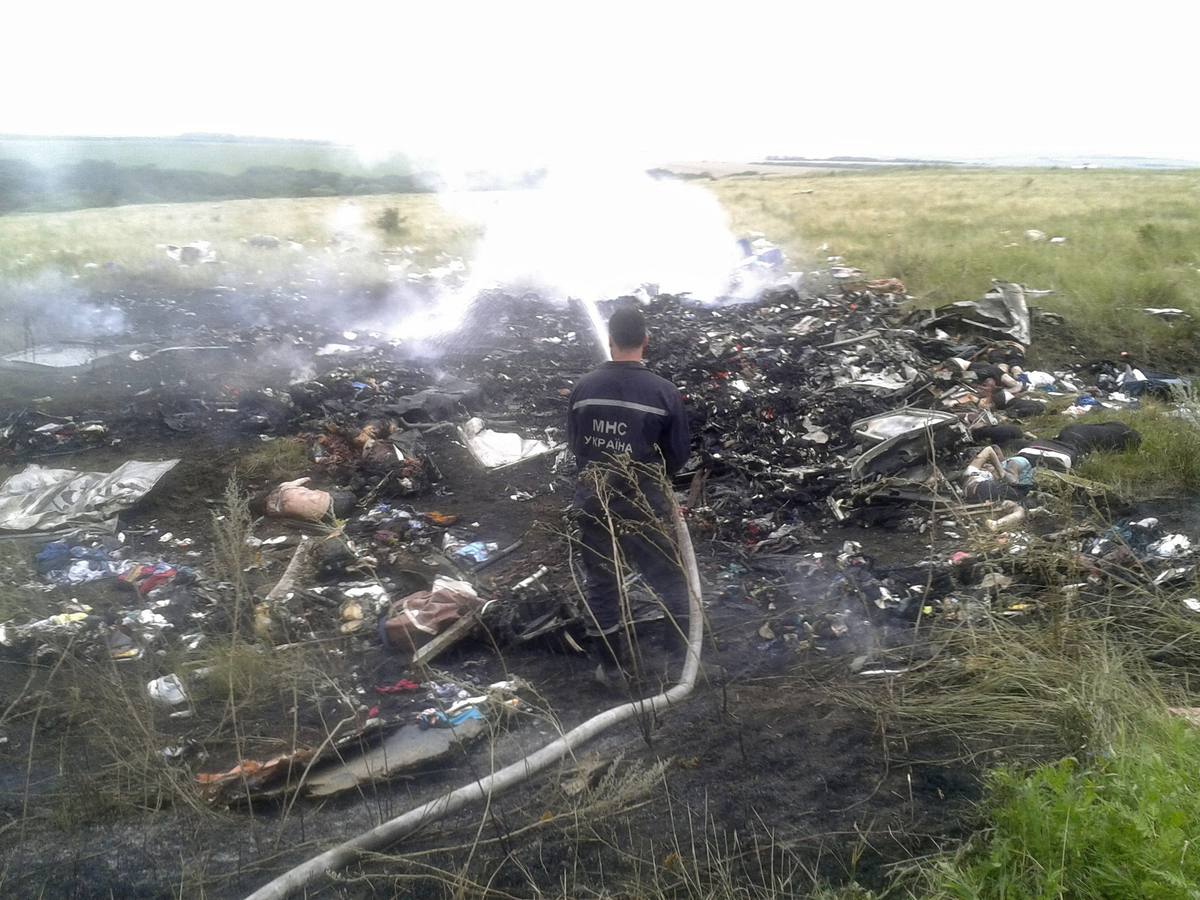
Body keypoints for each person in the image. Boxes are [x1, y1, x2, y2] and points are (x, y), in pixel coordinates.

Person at [566, 307, 691, 686]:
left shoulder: (583, 388)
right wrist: (656, 481)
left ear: (610, 340)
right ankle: (679, 652)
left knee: (602, 579)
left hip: (592, 497)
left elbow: (576, 445)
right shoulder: (663, 392)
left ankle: (612, 667)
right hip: (642, 501)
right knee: (668, 574)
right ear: (646, 341)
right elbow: (678, 454)